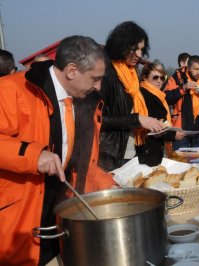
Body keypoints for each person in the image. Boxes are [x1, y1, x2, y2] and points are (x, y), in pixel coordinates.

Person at [0, 35, 115, 266]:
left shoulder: (85, 101)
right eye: (95, 79)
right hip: (19, 221)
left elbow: (82, 163)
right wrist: (34, 155)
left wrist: (112, 189)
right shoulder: (10, 90)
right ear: (72, 70)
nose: (98, 87)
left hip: (64, 220)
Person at [98, 21, 163, 171]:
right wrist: (137, 119)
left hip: (132, 149)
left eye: (142, 49)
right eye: (135, 49)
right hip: (110, 154)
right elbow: (99, 119)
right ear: (121, 45)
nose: (139, 55)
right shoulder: (106, 73)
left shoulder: (133, 73)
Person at [164, 55, 199, 150]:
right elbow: (166, 97)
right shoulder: (177, 78)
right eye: (196, 69)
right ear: (188, 67)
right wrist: (183, 88)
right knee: (180, 162)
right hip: (181, 130)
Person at [135, 62, 185, 166]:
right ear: (144, 77)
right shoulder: (144, 95)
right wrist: (172, 135)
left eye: (162, 78)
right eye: (155, 77)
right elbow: (152, 126)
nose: (159, 81)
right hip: (147, 149)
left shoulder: (159, 95)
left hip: (156, 147)